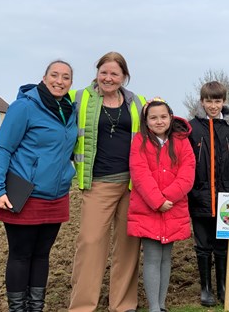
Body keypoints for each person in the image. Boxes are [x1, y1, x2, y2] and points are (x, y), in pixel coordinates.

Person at [0, 60, 77, 311]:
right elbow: (3, 147)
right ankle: (18, 309)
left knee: (42, 255)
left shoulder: (69, 110)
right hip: (24, 194)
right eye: (54, 75)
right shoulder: (24, 107)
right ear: (44, 77)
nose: (59, 81)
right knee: (21, 254)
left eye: (66, 77)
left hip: (57, 194)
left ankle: (36, 307)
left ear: (71, 83)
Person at [68, 52, 146, 312]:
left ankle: (123, 305)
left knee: (128, 247)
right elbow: (49, 102)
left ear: (124, 76)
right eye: (104, 72)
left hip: (131, 186)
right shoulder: (79, 97)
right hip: (97, 183)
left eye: (114, 73)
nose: (108, 78)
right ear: (97, 72)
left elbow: (159, 126)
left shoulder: (137, 102)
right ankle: (81, 306)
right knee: (90, 245)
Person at [127, 98, 196, 312]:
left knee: (166, 258)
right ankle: (154, 307)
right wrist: (157, 200)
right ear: (146, 121)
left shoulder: (182, 141)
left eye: (163, 117)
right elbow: (139, 173)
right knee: (152, 257)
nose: (159, 121)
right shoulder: (139, 140)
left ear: (171, 117)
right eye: (153, 117)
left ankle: (162, 304)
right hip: (149, 208)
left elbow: (188, 172)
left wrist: (169, 198)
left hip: (173, 208)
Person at [188, 81, 229, 306]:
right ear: (202, 101)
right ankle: (206, 289)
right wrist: (190, 190)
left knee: (223, 244)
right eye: (209, 101)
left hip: (227, 196)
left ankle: (224, 287)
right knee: (203, 245)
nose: (213, 106)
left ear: (224, 101)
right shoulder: (192, 127)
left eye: (217, 101)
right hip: (200, 195)